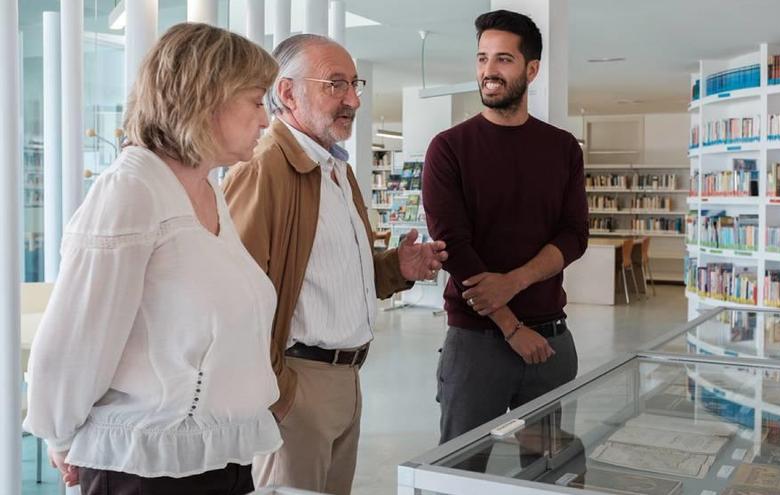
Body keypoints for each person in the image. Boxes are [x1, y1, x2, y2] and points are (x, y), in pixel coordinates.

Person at [23, 23, 281, 495]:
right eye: (256, 100)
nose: (265, 120)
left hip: (215, 460)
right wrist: (58, 434)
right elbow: (75, 338)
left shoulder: (209, 191)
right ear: (208, 97)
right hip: (143, 470)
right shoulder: (132, 189)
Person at [222, 34, 448, 495]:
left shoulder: (336, 169)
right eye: (336, 84)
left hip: (347, 380)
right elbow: (233, 297)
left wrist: (395, 269)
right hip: (297, 386)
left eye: (354, 84)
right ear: (287, 93)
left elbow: (336, 274)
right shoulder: (264, 170)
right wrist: (280, 395)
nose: (354, 99)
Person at [422, 9, 589, 444]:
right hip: (476, 341)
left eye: (503, 60)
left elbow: (574, 234)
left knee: (548, 471)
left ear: (531, 70)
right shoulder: (448, 149)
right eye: (481, 59)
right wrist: (511, 327)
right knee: (460, 472)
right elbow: (454, 247)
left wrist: (513, 282)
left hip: (550, 340)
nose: (488, 71)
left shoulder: (563, 148)